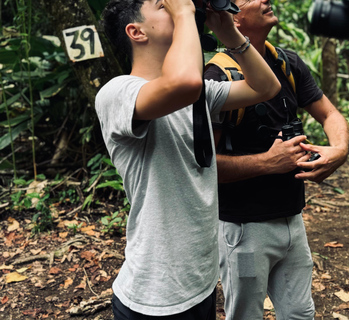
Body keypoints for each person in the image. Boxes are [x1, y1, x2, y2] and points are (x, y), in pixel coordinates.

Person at [95, 0, 281, 319]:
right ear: (136, 31)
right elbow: (183, 83)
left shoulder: (200, 96)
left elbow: (267, 87)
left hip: (200, 285)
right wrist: (183, 11)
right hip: (153, 296)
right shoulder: (118, 93)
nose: (178, 5)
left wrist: (230, 35)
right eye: (163, 5)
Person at [203, 0, 349, 319]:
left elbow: (329, 113)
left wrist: (338, 150)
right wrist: (268, 162)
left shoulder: (285, 61)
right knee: (246, 315)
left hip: (291, 219)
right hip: (244, 227)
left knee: (299, 313)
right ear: (234, 20)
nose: (264, 0)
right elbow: (205, 166)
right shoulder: (218, 74)